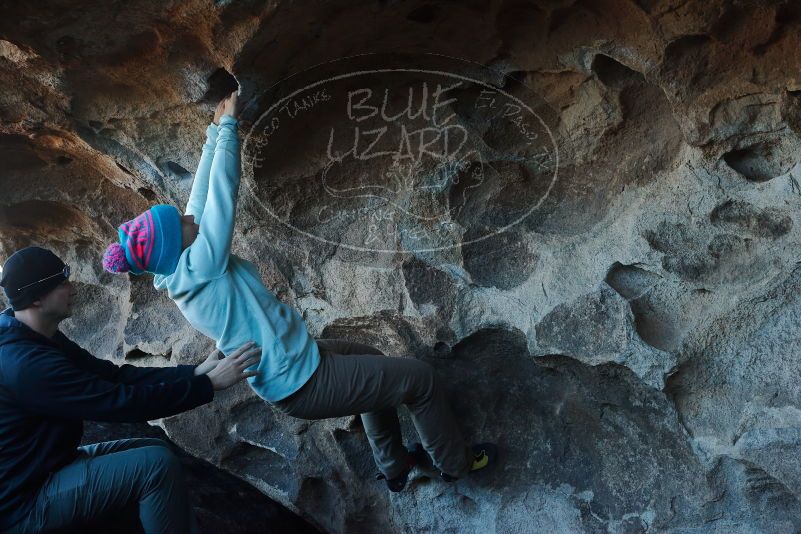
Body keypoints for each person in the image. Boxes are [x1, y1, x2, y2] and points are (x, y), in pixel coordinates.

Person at [102, 91, 495, 492]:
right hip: (305, 382)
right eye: (181, 224)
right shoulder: (201, 268)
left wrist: (213, 132)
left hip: (298, 362)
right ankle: (455, 464)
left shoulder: (181, 268)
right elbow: (221, 196)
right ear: (176, 246)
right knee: (422, 381)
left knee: (374, 361)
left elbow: (198, 202)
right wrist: (230, 129)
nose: (189, 218)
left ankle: (394, 466)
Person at [0, 245, 261, 533]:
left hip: (48, 470)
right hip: (25, 504)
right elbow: (120, 402)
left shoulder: (37, 337)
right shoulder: (28, 365)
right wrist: (208, 385)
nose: (72, 287)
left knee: (155, 448)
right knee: (156, 466)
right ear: (36, 298)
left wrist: (193, 373)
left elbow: (114, 377)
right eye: (62, 282)